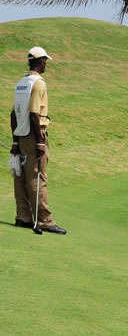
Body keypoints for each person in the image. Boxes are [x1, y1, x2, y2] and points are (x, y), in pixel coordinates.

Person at [9, 47, 66, 235]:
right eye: (45, 60)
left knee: (21, 176)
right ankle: (44, 220)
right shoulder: (39, 83)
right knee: (38, 177)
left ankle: (23, 217)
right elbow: (34, 114)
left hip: (21, 134)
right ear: (40, 61)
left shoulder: (21, 83)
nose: (46, 63)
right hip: (35, 134)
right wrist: (41, 141)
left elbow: (14, 115)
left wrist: (15, 141)